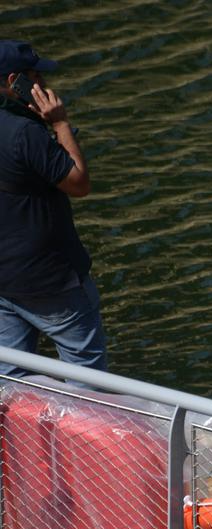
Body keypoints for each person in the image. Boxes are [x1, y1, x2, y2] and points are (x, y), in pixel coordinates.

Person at [0, 40, 105, 382]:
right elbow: (78, 183)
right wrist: (59, 124)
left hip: (4, 280)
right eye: (35, 77)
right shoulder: (24, 132)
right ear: (14, 80)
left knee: (9, 382)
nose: (43, 85)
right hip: (51, 282)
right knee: (87, 381)